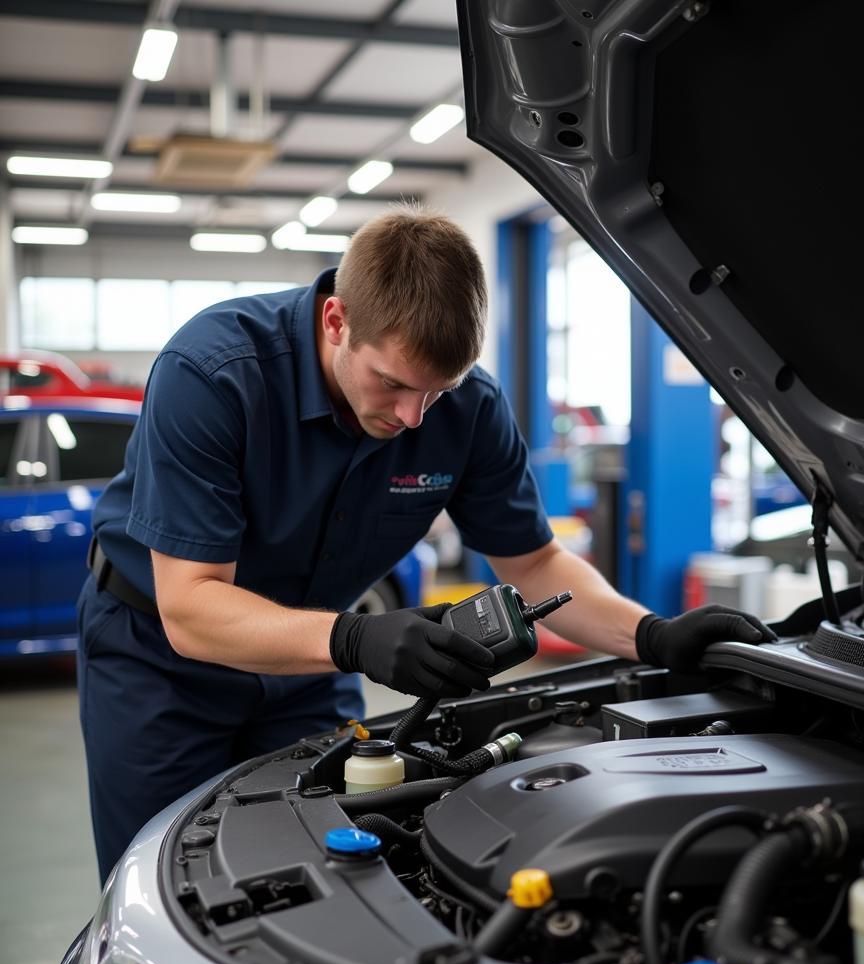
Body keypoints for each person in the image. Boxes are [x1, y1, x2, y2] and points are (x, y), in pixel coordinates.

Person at [78, 204, 774, 881]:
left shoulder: (470, 410)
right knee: (168, 877)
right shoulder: (215, 373)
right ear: (336, 321)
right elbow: (191, 608)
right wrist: (357, 641)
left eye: (437, 392)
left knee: (333, 865)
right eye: (393, 383)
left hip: (305, 672)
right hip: (160, 664)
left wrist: (650, 636)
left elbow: (532, 563)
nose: (413, 417)